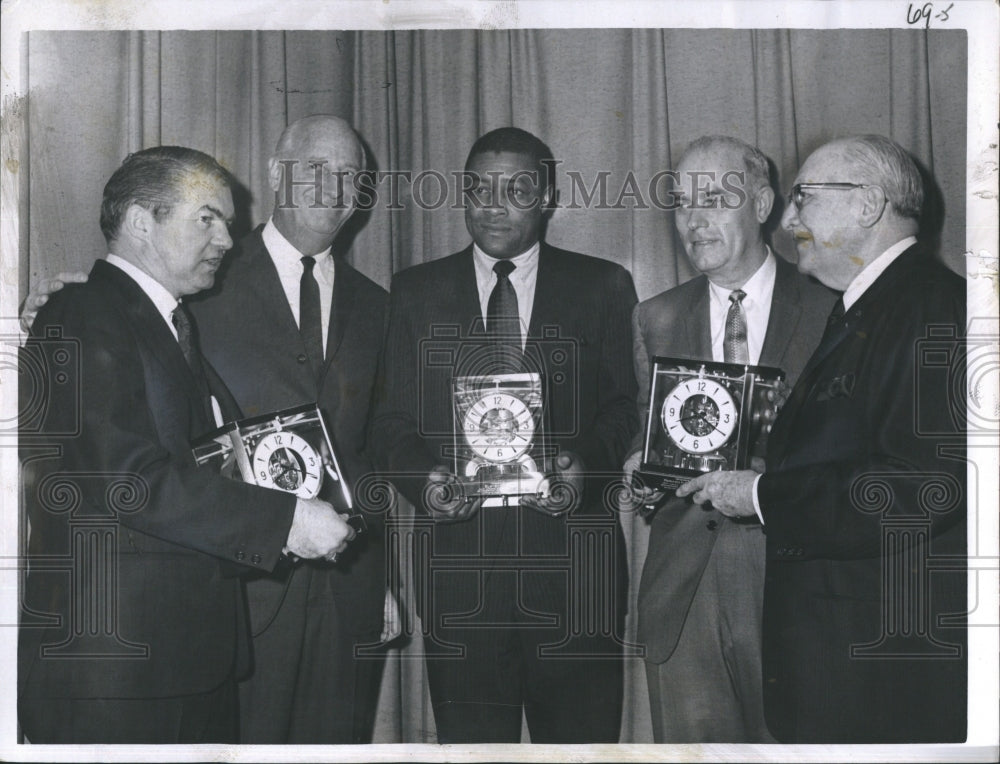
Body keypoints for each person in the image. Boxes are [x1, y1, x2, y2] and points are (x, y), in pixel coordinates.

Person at [20, 116, 394, 744]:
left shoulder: (170, 314)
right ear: (143, 222)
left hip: (192, 649)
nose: (225, 237)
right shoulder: (96, 308)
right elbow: (126, 474)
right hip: (124, 658)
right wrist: (287, 521)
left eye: (350, 176)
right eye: (208, 219)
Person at [676, 134, 967, 743]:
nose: (787, 218)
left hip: (879, 674)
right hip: (850, 663)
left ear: (866, 204)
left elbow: (919, 488)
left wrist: (761, 497)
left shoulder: (934, 309)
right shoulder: (874, 306)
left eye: (804, 198)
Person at [371, 127, 638, 743]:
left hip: (577, 574)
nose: (494, 205)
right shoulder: (415, 292)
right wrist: (426, 484)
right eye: (479, 189)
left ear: (546, 197)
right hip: (458, 576)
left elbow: (626, 407)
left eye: (515, 189)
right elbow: (388, 422)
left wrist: (586, 466)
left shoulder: (603, 285)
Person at [623, 135, 835, 742]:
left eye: (715, 198)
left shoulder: (831, 308)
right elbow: (647, 435)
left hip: (794, 593)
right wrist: (640, 471)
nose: (694, 219)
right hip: (684, 596)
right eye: (683, 203)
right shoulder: (654, 317)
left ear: (763, 203)